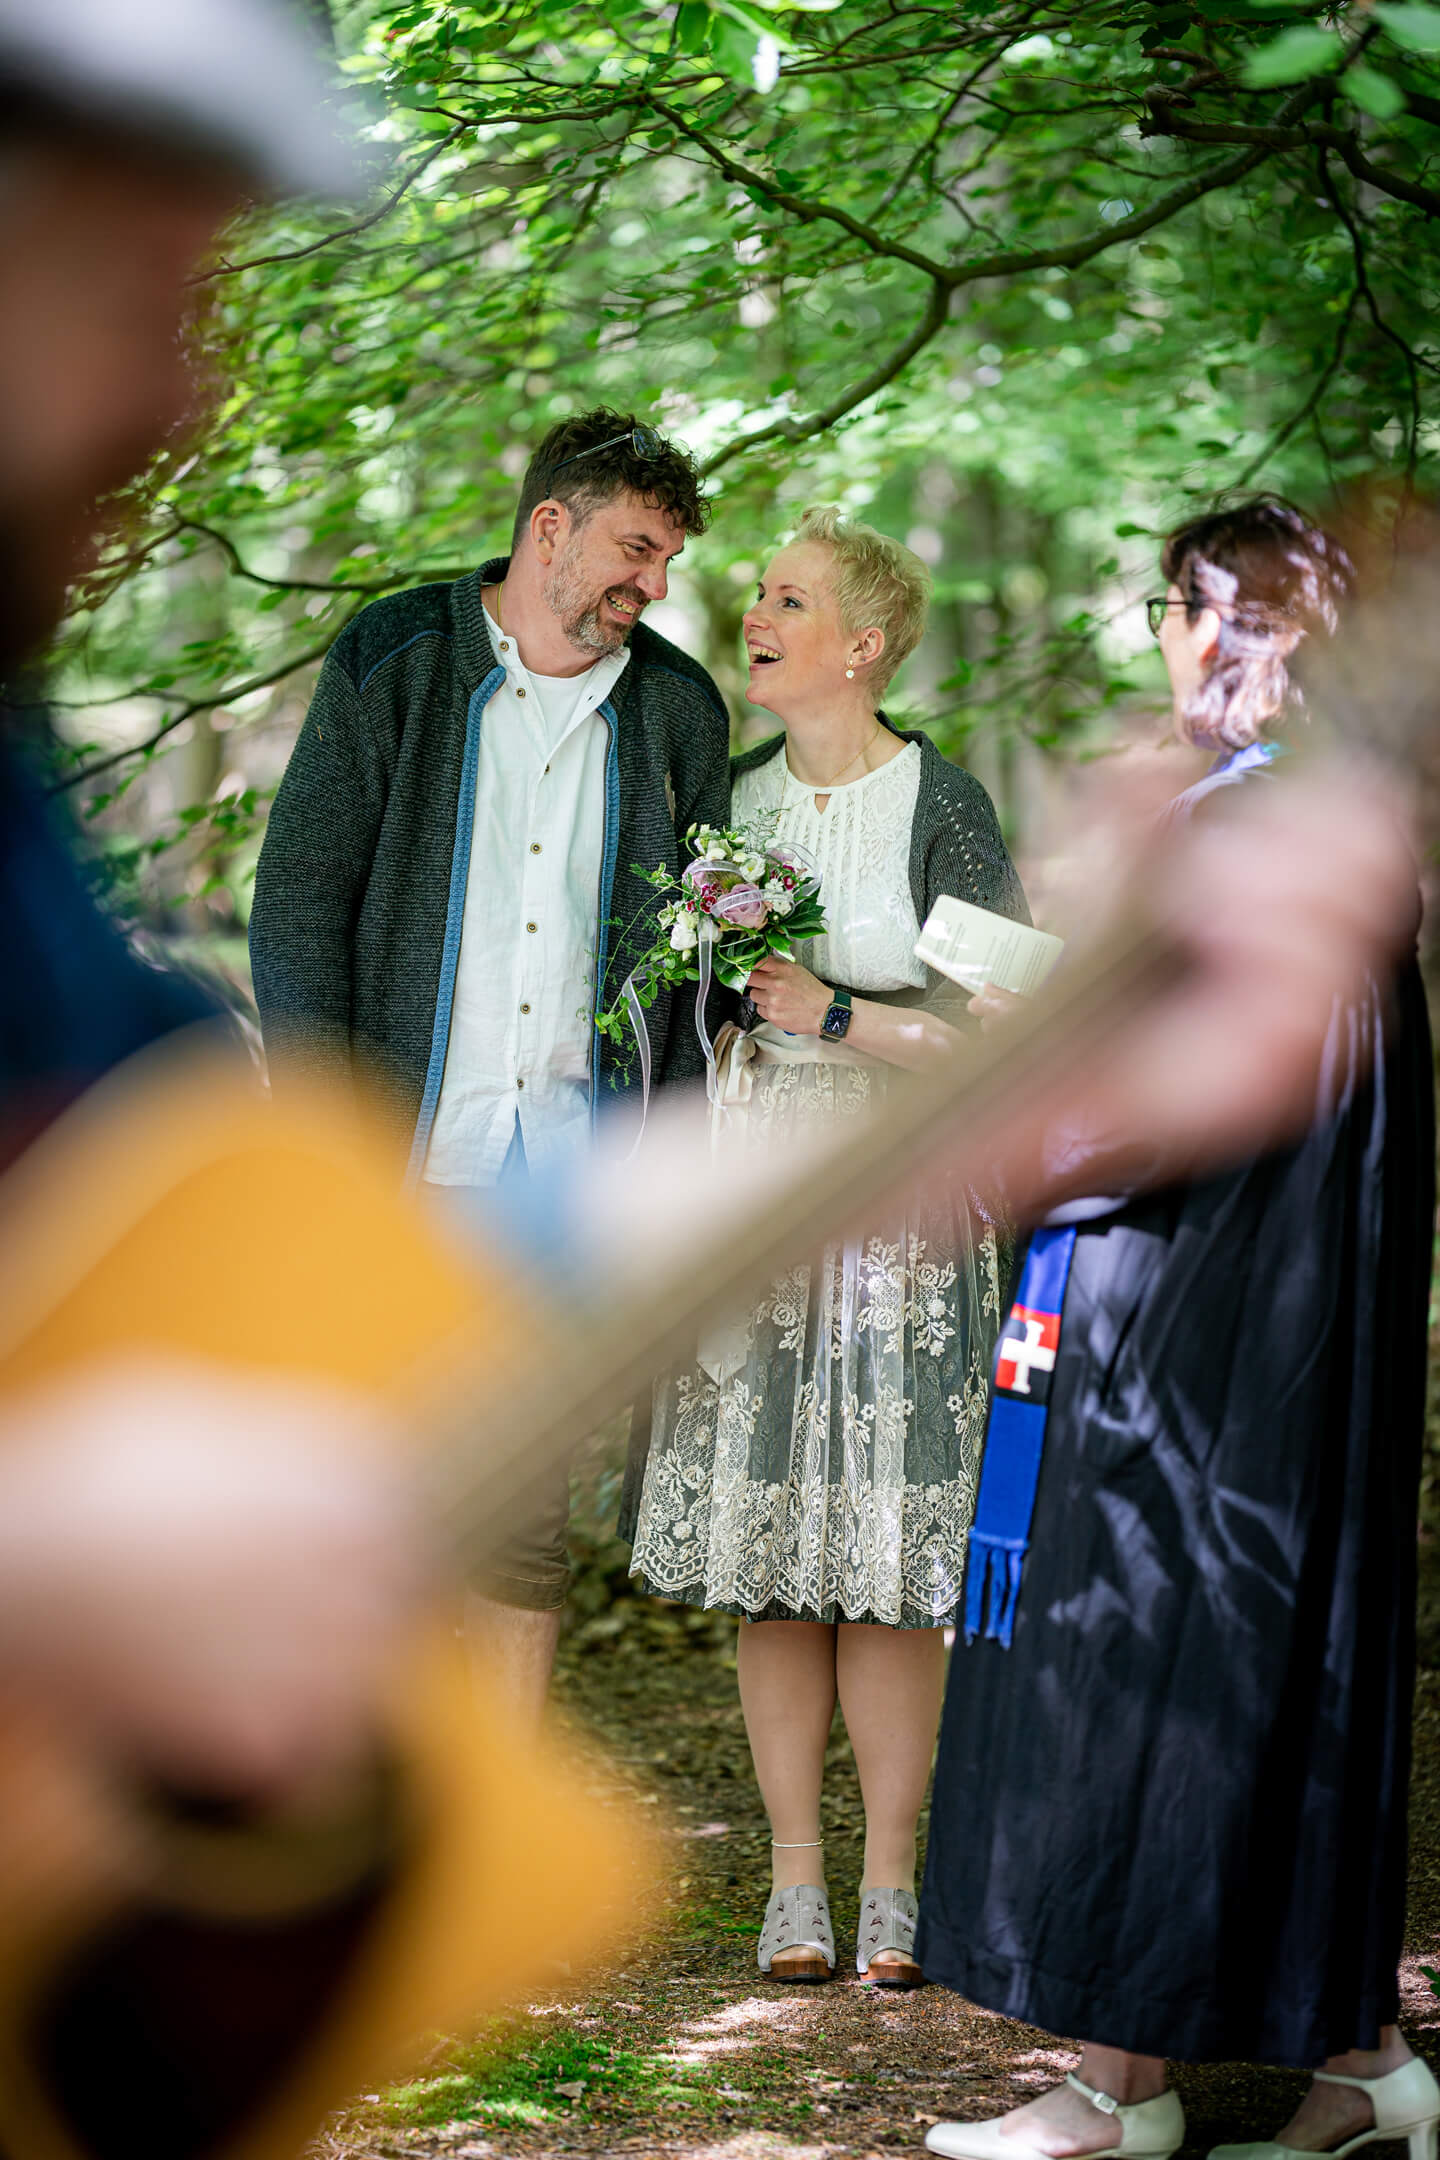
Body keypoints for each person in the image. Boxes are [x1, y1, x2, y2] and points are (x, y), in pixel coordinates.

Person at [918, 501, 1437, 2160]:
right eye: (1188, 609)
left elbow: (1175, 1108)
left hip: (1187, 1340)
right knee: (1264, 1664)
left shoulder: (1270, 831)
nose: (1210, 644)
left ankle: (1113, 2090)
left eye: (1259, 618)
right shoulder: (1308, 820)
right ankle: (1359, 2072)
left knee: (1146, 1658)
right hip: (1258, 1335)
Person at [249, 407, 731, 1722]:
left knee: (520, 1501)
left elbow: (698, 973)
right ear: (550, 529)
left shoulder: (680, 710)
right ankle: (370, 1788)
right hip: (400, 1153)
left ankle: (489, 1800)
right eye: (637, 547)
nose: (657, 583)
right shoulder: (397, 658)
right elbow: (300, 900)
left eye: (670, 560)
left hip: (569, 1176)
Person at [621, 507, 1027, 1986]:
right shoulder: (725, 808)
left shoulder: (951, 806)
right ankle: (796, 1887)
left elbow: (1011, 1035)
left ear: (863, 644)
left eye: (790, 598)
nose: (758, 614)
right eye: (761, 596)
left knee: (887, 1563)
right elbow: (678, 1006)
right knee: (776, 1561)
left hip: (906, 1206)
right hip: (757, 1198)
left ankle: (894, 1891)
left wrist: (843, 1017)